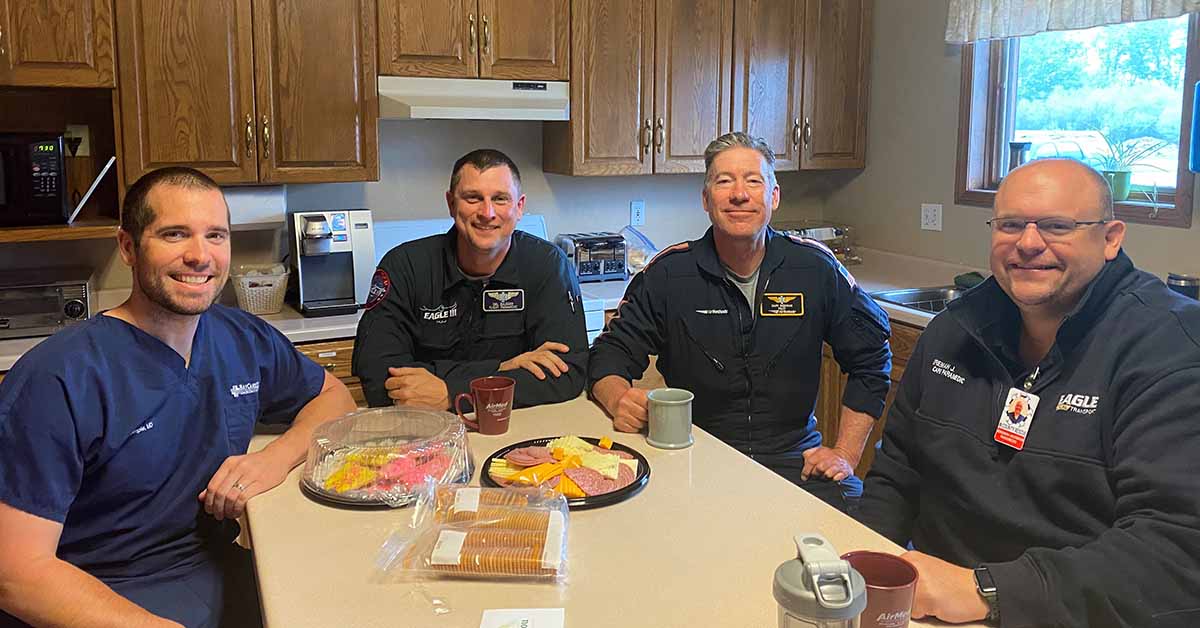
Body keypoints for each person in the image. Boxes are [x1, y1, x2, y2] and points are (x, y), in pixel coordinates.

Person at [0, 167, 357, 628]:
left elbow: (333, 399)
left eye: (215, 235)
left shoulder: (240, 337)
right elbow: (17, 572)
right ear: (128, 247)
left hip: (215, 568)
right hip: (99, 592)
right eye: (174, 234)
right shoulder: (59, 377)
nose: (199, 255)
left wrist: (275, 457)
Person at [855, 158, 1200, 627]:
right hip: (932, 610)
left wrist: (987, 592)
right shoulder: (954, 330)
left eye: (1058, 226)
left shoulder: (1169, 348)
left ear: (1111, 238)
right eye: (1011, 224)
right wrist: (867, 574)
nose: (1029, 243)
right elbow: (897, 471)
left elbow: (1176, 551)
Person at [588, 132, 892, 508]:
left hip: (796, 463)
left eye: (753, 181)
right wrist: (618, 398)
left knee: (857, 542)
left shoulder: (814, 269)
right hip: (692, 456)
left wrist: (844, 454)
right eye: (724, 181)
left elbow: (872, 360)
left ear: (774, 196)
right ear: (705, 199)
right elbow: (608, 354)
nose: (739, 194)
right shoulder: (669, 274)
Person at [353, 149, 587, 412]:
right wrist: (500, 368)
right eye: (473, 198)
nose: (487, 212)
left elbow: (568, 374)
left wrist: (453, 392)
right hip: (423, 430)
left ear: (519, 207)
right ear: (451, 204)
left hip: (515, 427)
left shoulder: (547, 265)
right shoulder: (404, 267)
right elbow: (378, 378)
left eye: (500, 199)